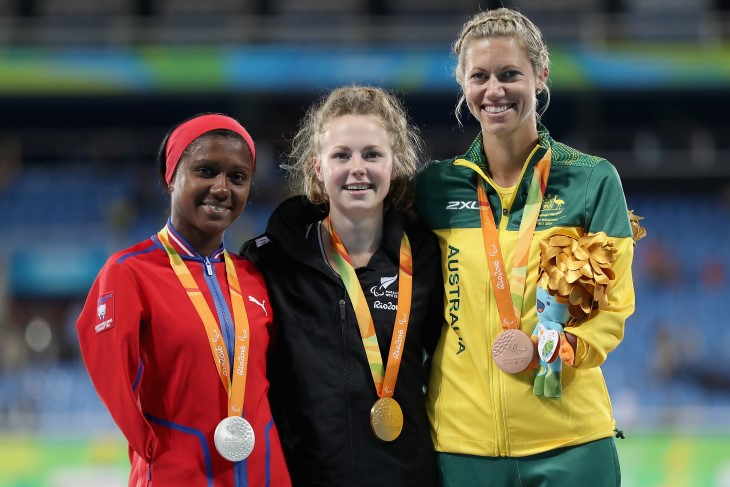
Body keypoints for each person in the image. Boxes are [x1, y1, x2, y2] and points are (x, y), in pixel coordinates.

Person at [415, 8, 635, 486]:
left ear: (540, 76)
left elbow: (612, 306)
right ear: (463, 85)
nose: (494, 90)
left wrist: (562, 348)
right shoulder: (435, 187)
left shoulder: (591, 180)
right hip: (461, 445)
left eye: (510, 74)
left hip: (571, 443)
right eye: (480, 76)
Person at [242, 85, 442, 486]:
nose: (358, 168)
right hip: (305, 476)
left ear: (395, 163)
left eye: (372, 154)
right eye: (341, 155)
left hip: (407, 475)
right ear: (318, 167)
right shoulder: (270, 262)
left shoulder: (426, 256)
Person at [77, 113, 291, 487]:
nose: (222, 188)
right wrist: (153, 451)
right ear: (171, 176)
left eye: (237, 178)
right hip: (179, 474)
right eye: (206, 171)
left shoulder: (256, 276)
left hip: (265, 472)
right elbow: (108, 371)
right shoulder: (130, 272)